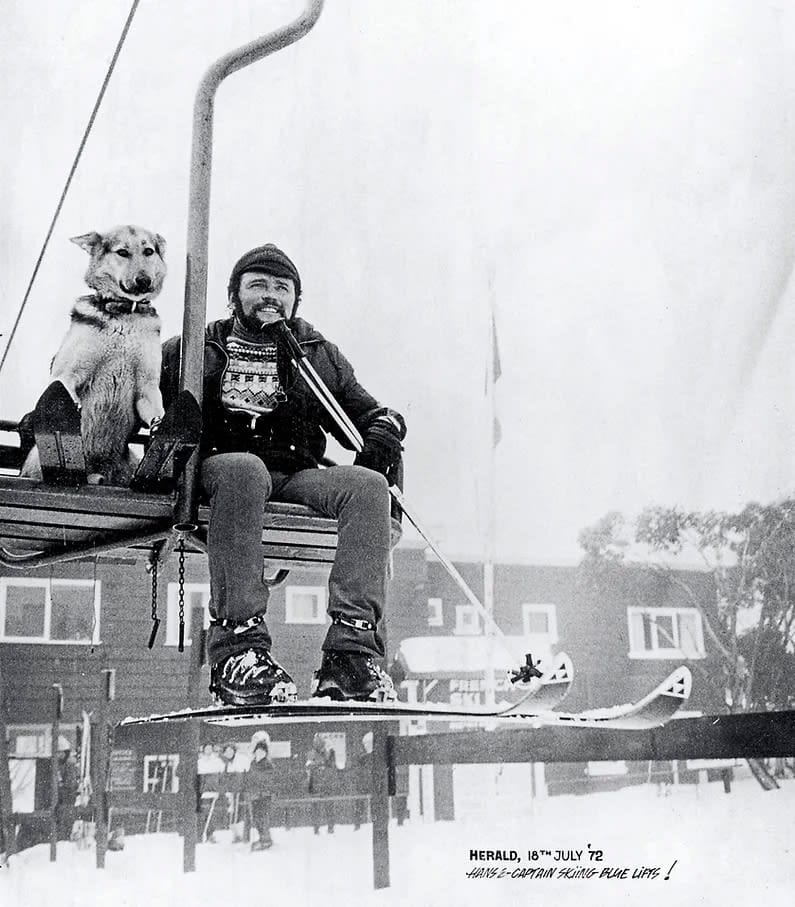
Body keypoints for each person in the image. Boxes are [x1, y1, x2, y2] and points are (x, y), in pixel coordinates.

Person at [160, 244, 406, 705]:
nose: (270, 295)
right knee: (246, 470)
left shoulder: (314, 353)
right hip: (223, 468)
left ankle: (351, 652)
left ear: (295, 299)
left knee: (368, 487)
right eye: (257, 285)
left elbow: (372, 410)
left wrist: (384, 431)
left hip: (294, 473)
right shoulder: (194, 348)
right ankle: (238, 646)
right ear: (234, 296)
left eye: (281, 288)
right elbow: (141, 395)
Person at [246, 731, 275, 851]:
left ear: (265, 752)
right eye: (258, 751)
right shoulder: (253, 763)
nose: (259, 753)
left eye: (262, 751)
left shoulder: (268, 764)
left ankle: (266, 840)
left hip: (264, 796)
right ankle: (262, 837)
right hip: (254, 795)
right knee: (256, 818)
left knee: (263, 818)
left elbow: (267, 779)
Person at [305, 732, 337, 834]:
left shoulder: (328, 753)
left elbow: (332, 766)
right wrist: (321, 763)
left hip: (327, 783)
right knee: (316, 808)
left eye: (321, 743)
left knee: (329, 806)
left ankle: (330, 827)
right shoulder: (311, 754)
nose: (320, 745)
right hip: (316, 784)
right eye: (317, 743)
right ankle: (316, 828)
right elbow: (309, 765)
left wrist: (331, 758)